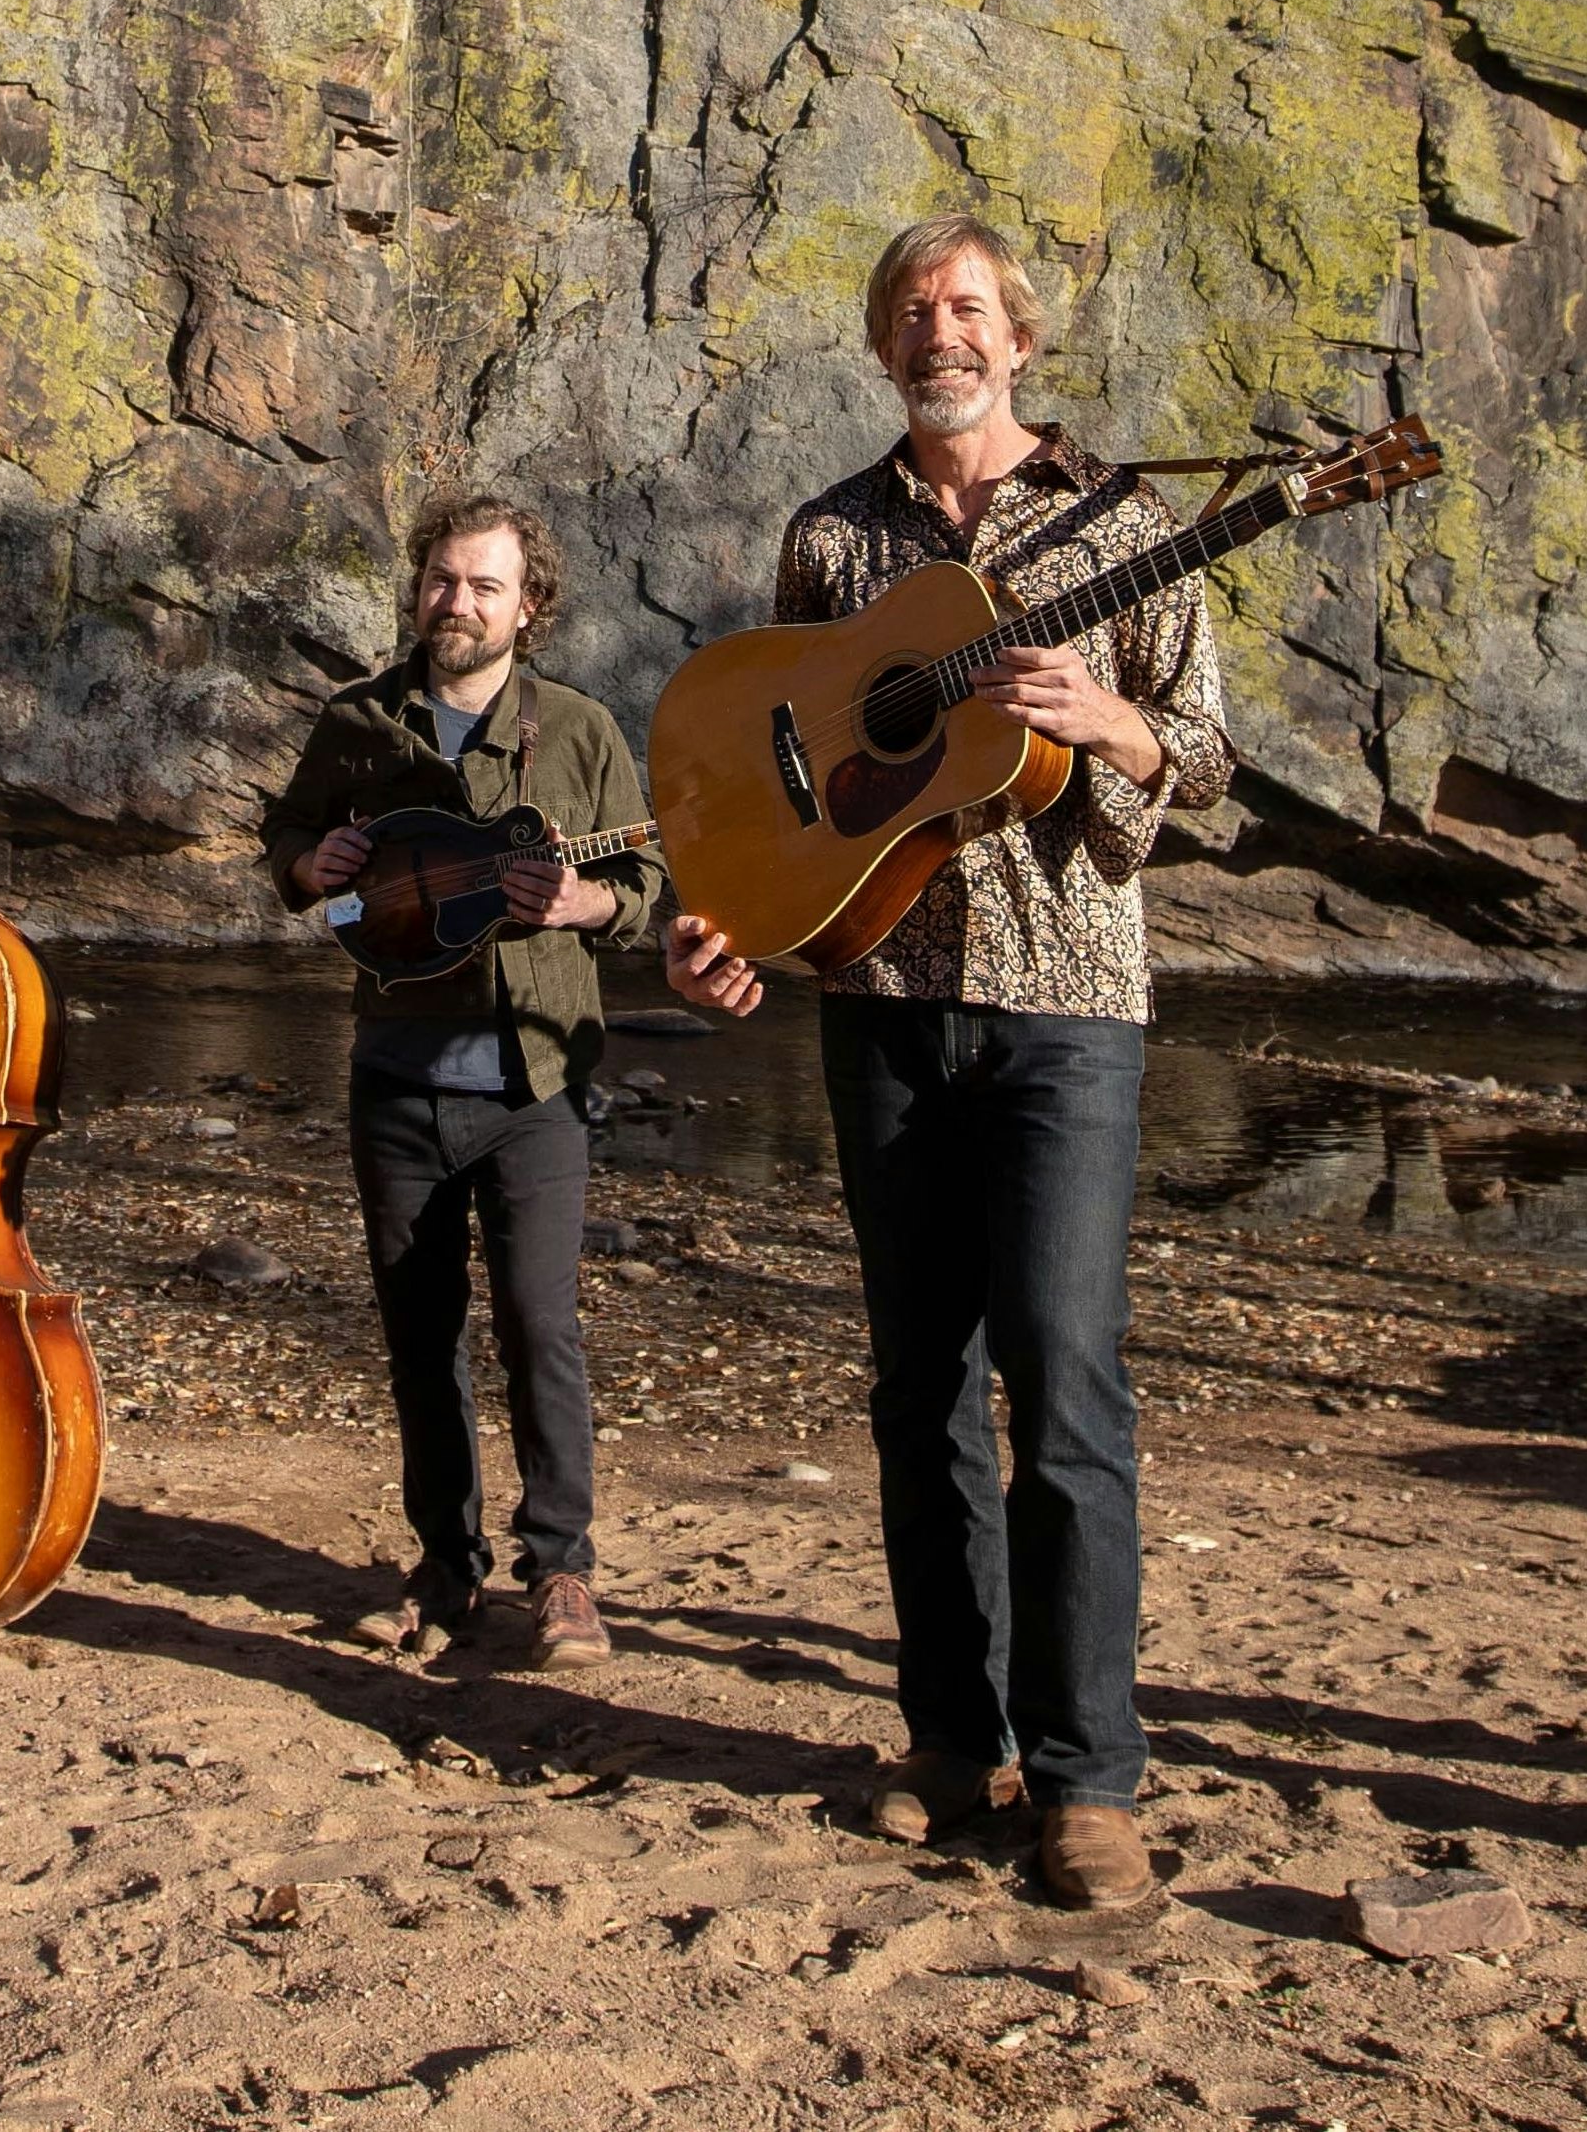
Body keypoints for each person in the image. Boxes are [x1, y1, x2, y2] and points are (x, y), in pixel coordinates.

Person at [667, 215, 1232, 1909]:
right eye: (912, 310)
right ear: (881, 343)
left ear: (1020, 336)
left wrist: (1115, 727)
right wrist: (728, 919)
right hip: (883, 996)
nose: (940, 332)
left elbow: (1207, 759)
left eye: (967, 306)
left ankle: (1086, 1778)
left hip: (1069, 1004)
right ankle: (943, 1735)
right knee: (916, 1385)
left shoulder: (1125, 524)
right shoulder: (833, 538)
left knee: (1062, 1382)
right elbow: (772, 763)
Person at [262, 492, 665, 1670]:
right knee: (420, 1335)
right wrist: (314, 863)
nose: (459, 602)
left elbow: (643, 883)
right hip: (395, 1075)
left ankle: (563, 1571)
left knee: (541, 1326)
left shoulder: (578, 729)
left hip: (534, 1082)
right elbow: (286, 843)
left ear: (529, 606)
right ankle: (445, 1569)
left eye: (487, 585)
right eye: (443, 579)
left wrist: (586, 901)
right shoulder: (358, 723)